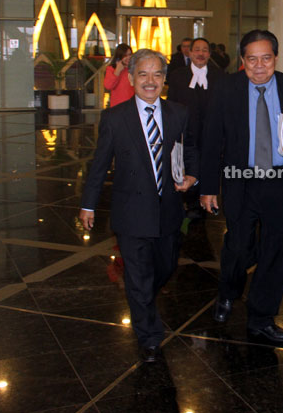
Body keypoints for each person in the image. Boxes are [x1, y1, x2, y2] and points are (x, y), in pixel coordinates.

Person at [199, 29, 283, 345]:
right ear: (242, 61)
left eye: (266, 58)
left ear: (275, 58)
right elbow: (212, 139)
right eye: (251, 59)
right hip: (242, 180)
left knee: (276, 252)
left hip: (282, 182)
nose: (259, 66)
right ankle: (228, 290)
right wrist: (208, 187)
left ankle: (261, 319)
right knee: (238, 246)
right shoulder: (226, 89)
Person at [79, 49, 198, 363]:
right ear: (131, 79)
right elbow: (100, 163)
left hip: (169, 210)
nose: (150, 81)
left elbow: (191, 150)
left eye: (156, 74)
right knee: (138, 276)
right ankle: (149, 336)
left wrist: (192, 175)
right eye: (142, 74)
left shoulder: (178, 113)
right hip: (131, 213)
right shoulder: (115, 118)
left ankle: (143, 298)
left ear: (164, 80)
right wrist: (88, 204)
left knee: (166, 267)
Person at [167, 37, 224, 217]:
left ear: (209, 54)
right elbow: (171, 104)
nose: (201, 54)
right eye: (197, 50)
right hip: (186, 132)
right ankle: (190, 202)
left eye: (205, 50)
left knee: (209, 163)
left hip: (211, 132)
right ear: (189, 53)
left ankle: (207, 197)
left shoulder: (219, 76)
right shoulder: (177, 76)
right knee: (188, 164)